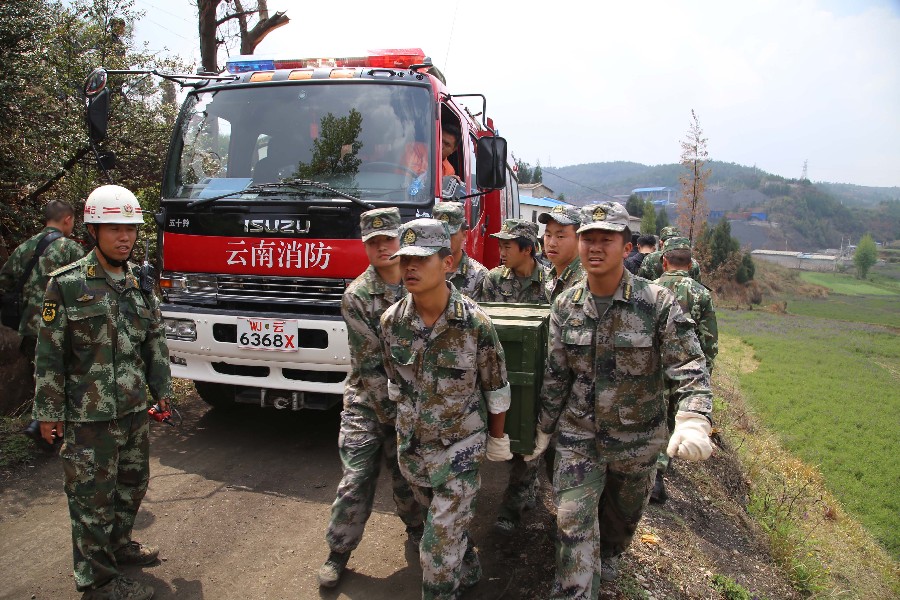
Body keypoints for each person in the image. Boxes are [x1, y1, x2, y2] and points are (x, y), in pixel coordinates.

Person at [525, 202, 714, 598]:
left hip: (637, 443)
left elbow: (690, 364)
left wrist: (694, 417)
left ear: (626, 246)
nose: (595, 247)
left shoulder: (657, 303)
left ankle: (610, 551)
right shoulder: (566, 305)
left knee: (620, 523)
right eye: (587, 239)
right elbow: (557, 374)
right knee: (573, 525)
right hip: (579, 439)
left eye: (605, 239)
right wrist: (542, 429)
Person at [33, 185, 173, 600]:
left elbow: (154, 340)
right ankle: (98, 582)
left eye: (129, 228)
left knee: (133, 484)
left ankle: (119, 545)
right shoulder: (67, 285)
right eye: (114, 228)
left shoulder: (140, 283)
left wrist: (161, 388)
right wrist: (48, 412)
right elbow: (48, 355)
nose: (124, 237)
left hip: (132, 410)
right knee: (92, 500)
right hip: (87, 417)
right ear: (93, 229)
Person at [379, 218, 512, 599]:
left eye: (420, 259)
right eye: (405, 260)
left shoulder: (474, 324)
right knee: (441, 522)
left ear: (448, 263)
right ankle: (466, 560)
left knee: (435, 548)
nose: (410, 268)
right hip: (415, 448)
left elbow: (495, 387)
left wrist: (497, 439)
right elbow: (395, 382)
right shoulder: (392, 323)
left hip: (461, 446)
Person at [317, 208, 426, 588]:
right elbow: (369, 366)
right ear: (365, 247)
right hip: (368, 400)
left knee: (408, 476)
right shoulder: (358, 295)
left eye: (388, 239)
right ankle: (339, 551)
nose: (383, 247)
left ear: (401, 239)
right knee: (357, 476)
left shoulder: (421, 282)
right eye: (374, 242)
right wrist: (393, 420)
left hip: (412, 399)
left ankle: (419, 530)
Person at [0, 200, 84, 442]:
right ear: (67, 219)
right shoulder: (69, 249)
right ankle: (48, 427)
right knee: (63, 375)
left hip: (29, 326)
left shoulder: (25, 248)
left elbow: (5, 281)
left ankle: (43, 424)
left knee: (41, 376)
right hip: (59, 326)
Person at [650, 236, 719, 504]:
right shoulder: (701, 293)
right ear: (690, 265)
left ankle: (652, 471)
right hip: (686, 368)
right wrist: (703, 379)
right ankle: (658, 472)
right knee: (673, 416)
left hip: (653, 366)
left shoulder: (650, 289)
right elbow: (709, 341)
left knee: (654, 414)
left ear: (664, 261)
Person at [481, 219, 547, 304]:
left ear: (527, 250)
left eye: (507, 247)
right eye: (500, 247)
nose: (502, 254)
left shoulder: (549, 281)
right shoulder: (494, 278)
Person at [432, 201, 489, 301]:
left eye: (451, 234)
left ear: (464, 234)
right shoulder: (424, 269)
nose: (445, 240)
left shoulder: (479, 275)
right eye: (440, 234)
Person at [540, 205, 585, 303]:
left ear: (580, 239)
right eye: (548, 235)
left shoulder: (587, 281)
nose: (551, 243)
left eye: (560, 236)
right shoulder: (552, 276)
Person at [637, 226, 702, 282]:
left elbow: (640, 283)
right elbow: (697, 287)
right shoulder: (692, 263)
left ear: (661, 243)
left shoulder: (650, 259)